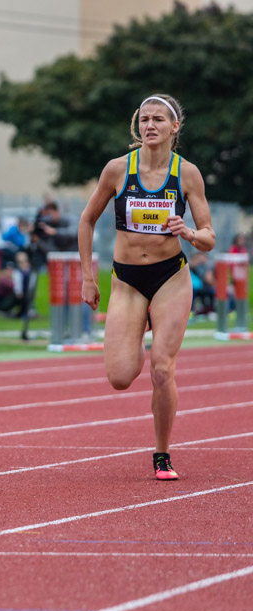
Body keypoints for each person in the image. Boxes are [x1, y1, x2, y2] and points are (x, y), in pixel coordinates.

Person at [78, 94, 214, 481]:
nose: (149, 125)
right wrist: (88, 276)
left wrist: (187, 231)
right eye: (144, 119)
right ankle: (138, 326)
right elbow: (86, 221)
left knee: (160, 370)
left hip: (170, 276)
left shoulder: (186, 174)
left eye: (158, 119)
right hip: (127, 281)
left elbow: (208, 237)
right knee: (121, 377)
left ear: (175, 127)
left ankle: (162, 453)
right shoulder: (118, 170)